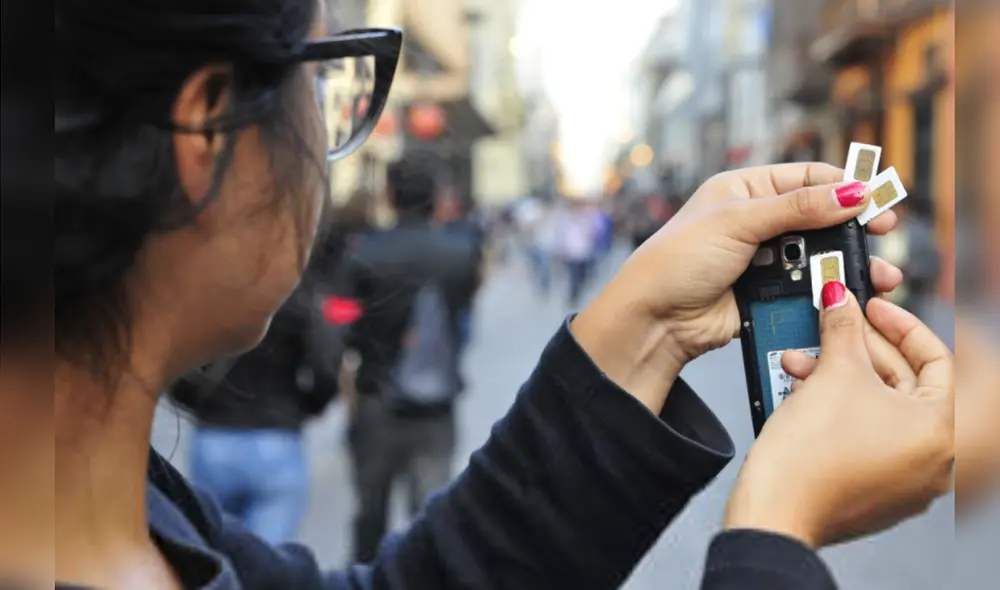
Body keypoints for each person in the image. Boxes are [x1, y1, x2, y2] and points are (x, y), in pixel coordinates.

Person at [29, 2, 955, 588]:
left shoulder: (135, 517)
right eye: (329, 75)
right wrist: (778, 530)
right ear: (206, 129)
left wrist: (645, 325)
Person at [341, 153, 480, 562]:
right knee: (430, 521)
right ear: (437, 197)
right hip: (436, 406)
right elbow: (466, 309)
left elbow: (340, 321)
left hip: (374, 400)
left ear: (389, 195)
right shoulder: (461, 253)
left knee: (370, 516)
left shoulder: (364, 252)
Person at [167, 284, 339, 545]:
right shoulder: (298, 300)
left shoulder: (213, 300)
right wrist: (306, 408)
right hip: (277, 437)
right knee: (268, 560)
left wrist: (200, 404)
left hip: (215, 436)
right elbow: (325, 371)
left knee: (213, 549)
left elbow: (176, 374)